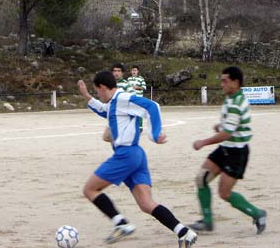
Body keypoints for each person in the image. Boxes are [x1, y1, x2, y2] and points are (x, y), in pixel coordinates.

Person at [77, 71, 197, 247]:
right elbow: (103, 110)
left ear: (102, 87)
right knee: (146, 204)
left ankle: (121, 223)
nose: (98, 95)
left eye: (97, 91)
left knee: (90, 190)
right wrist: (86, 96)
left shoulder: (123, 98)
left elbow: (152, 106)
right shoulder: (114, 103)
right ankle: (184, 232)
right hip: (137, 156)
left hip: (125, 155)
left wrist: (154, 134)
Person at [190, 66, 267, 234]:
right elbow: (230, 126)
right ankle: (207, 221)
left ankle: (258, 213)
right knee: (201, 179)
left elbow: (226, 134)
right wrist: (222, 125)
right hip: (225, 149)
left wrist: (203, 142)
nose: (222, 83)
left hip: (236, 153)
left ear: (236, 82)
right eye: (221, 80)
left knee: (224, 193)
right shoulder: (231, 97)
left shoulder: (237, 103)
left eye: (225, 80)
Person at [127, 65, 147, 132]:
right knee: (131, 113)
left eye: (135, 70)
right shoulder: (129, 79)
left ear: (137, 71)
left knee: (139, 112)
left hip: (139, 98)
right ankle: (131, 127)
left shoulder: (141, 78)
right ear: (131, 71)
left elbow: (144, 87)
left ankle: (140, 127)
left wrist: (136, 87)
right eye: (132, 70)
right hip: (131, 99)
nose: (134, 72)